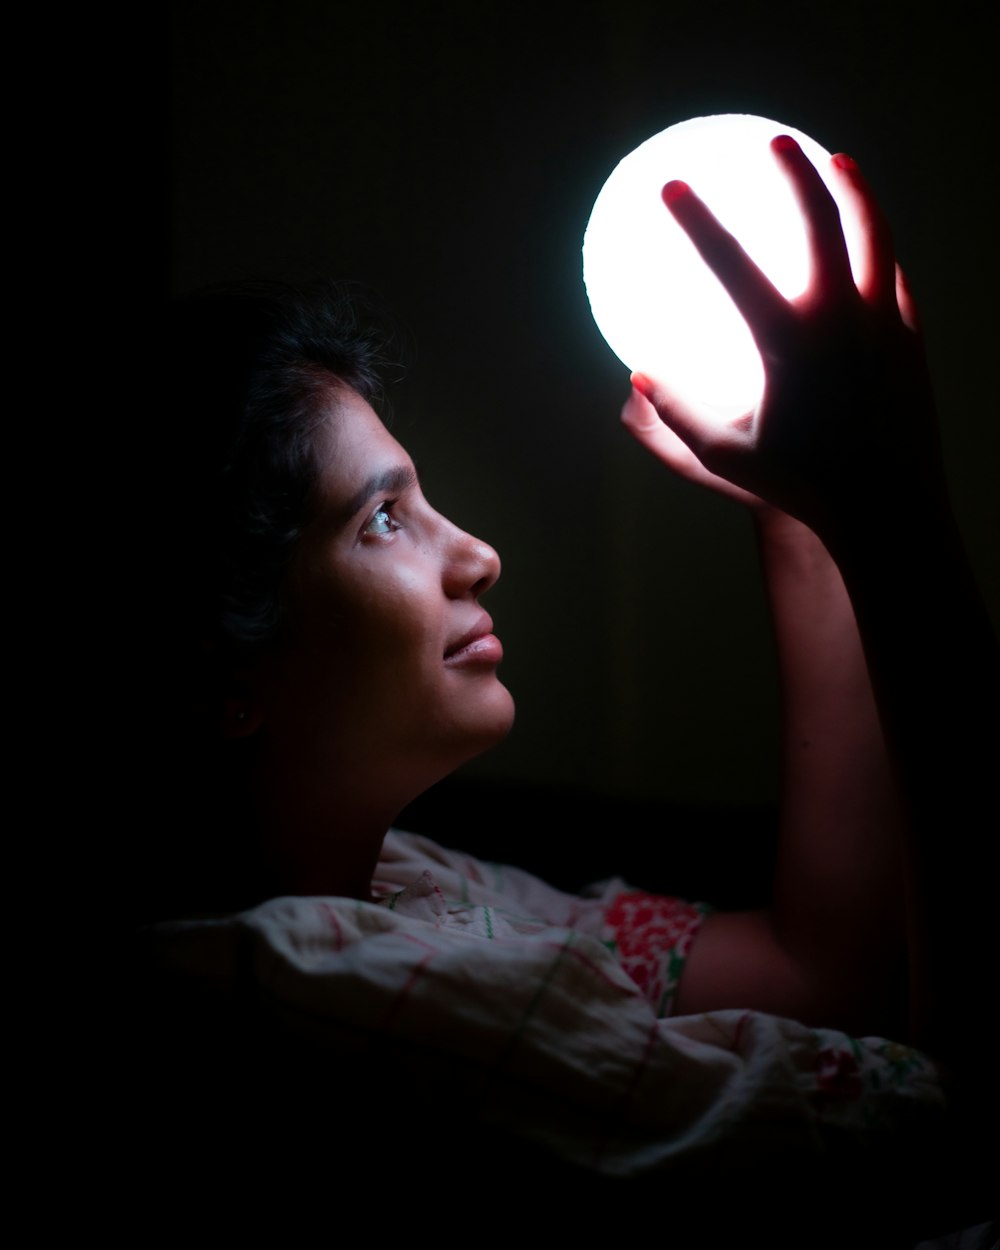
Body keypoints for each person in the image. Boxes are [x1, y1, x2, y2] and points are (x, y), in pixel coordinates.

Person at [139, 138, 997, 1239]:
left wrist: (799, 509)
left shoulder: (399, 884)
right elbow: (958, 1141)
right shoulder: (332, 988)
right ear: (223, 666)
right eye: (383, 519)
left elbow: (817, 971)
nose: (479, 553)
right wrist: (895, 508)